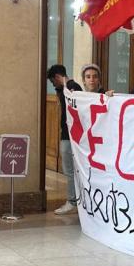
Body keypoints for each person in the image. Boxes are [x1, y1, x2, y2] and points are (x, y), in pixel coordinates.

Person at [45, 64, 83, 215]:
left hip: (70, 135)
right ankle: (74, 200)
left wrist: (64, 86)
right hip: (68, 133)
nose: (53, 85)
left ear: (57, 77)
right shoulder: (64, 89)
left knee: (69, 170)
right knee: (70, 169)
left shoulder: (73, 87)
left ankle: (72, 201)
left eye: (53, 82)